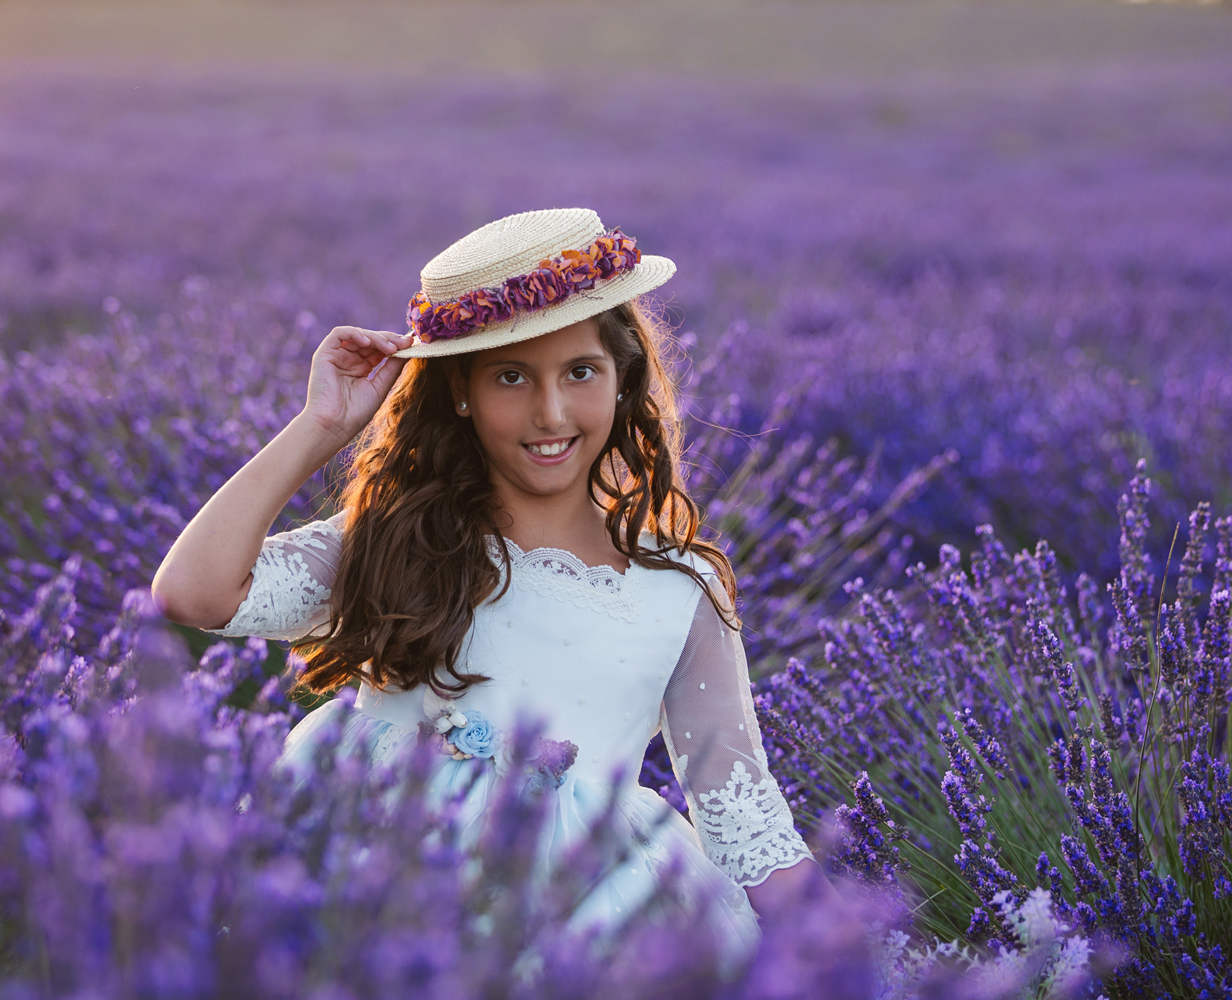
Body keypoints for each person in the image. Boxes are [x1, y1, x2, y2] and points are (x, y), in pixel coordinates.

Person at [152, 207, 829, 967]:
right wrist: (319, 427)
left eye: (581, 372)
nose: (551, 412)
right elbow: (194, 593)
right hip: (376, 877)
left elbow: (741, 808)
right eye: (512, 377)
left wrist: (842, 960)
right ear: (462, 394)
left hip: (582, 911)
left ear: (623, 376)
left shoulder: (679, 587)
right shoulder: (396, 538)